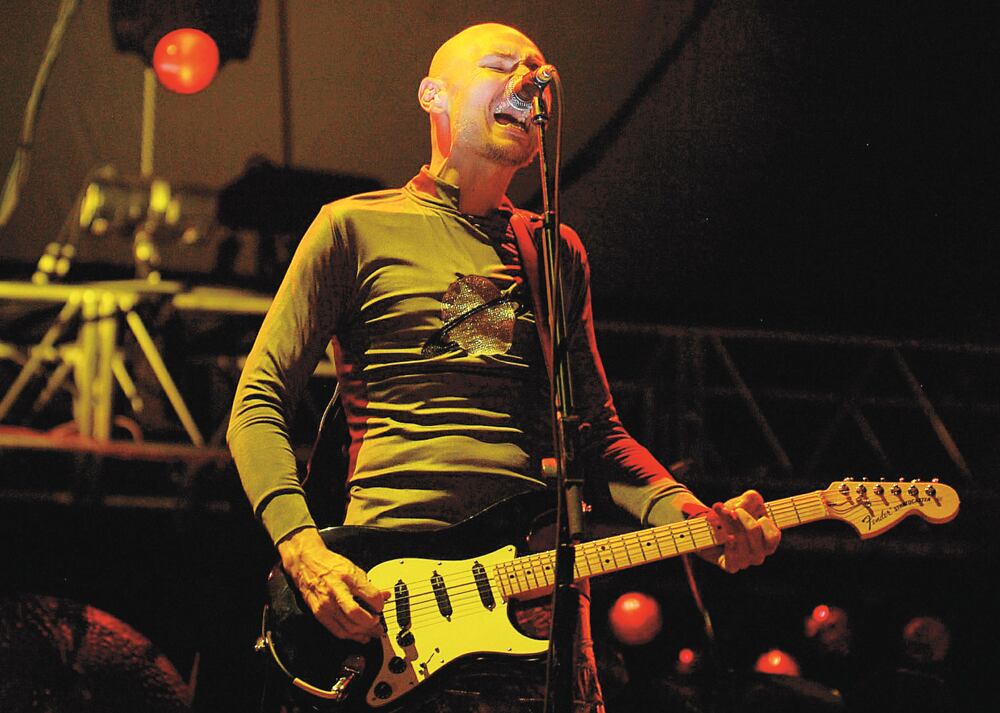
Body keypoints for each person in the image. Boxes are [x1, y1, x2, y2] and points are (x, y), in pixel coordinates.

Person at [227, 22, 781, 713]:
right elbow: (258, 401)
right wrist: (301, 547)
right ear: (433, 95)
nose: (529, 78)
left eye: (537, 68)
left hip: (537, 606)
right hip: (391, 602)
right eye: (500, 64)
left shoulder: (551, 253)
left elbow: (597, 437)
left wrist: (699, 520)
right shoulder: (354, 227)